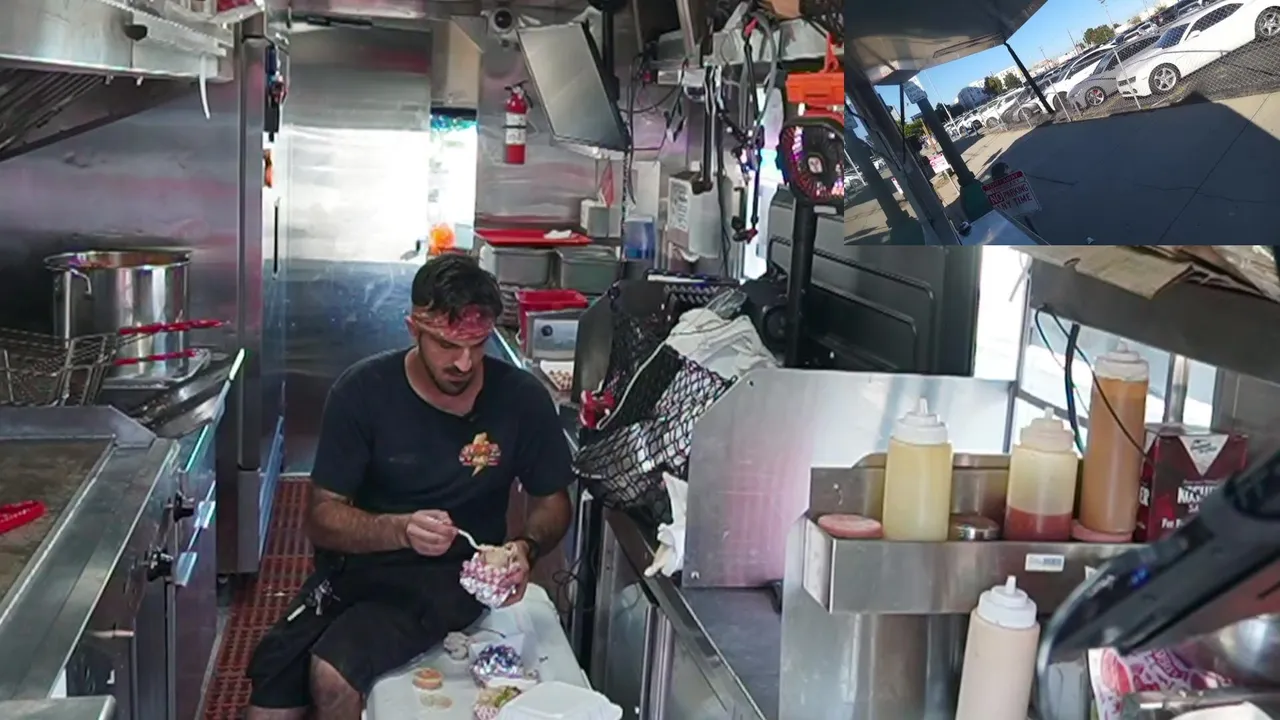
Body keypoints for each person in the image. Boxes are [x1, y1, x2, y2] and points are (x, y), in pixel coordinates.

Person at [244, 253, 574, 720]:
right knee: (269, 703)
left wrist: (526, 547)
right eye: (446, 345)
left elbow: (552, 501)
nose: (464, 363)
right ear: (412, 329)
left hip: (451, 579)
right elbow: (321, 518)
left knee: (332, 674)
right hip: (355, 572)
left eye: (477, 345)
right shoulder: (362, 393)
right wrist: (399, 530)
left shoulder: (520, 399)